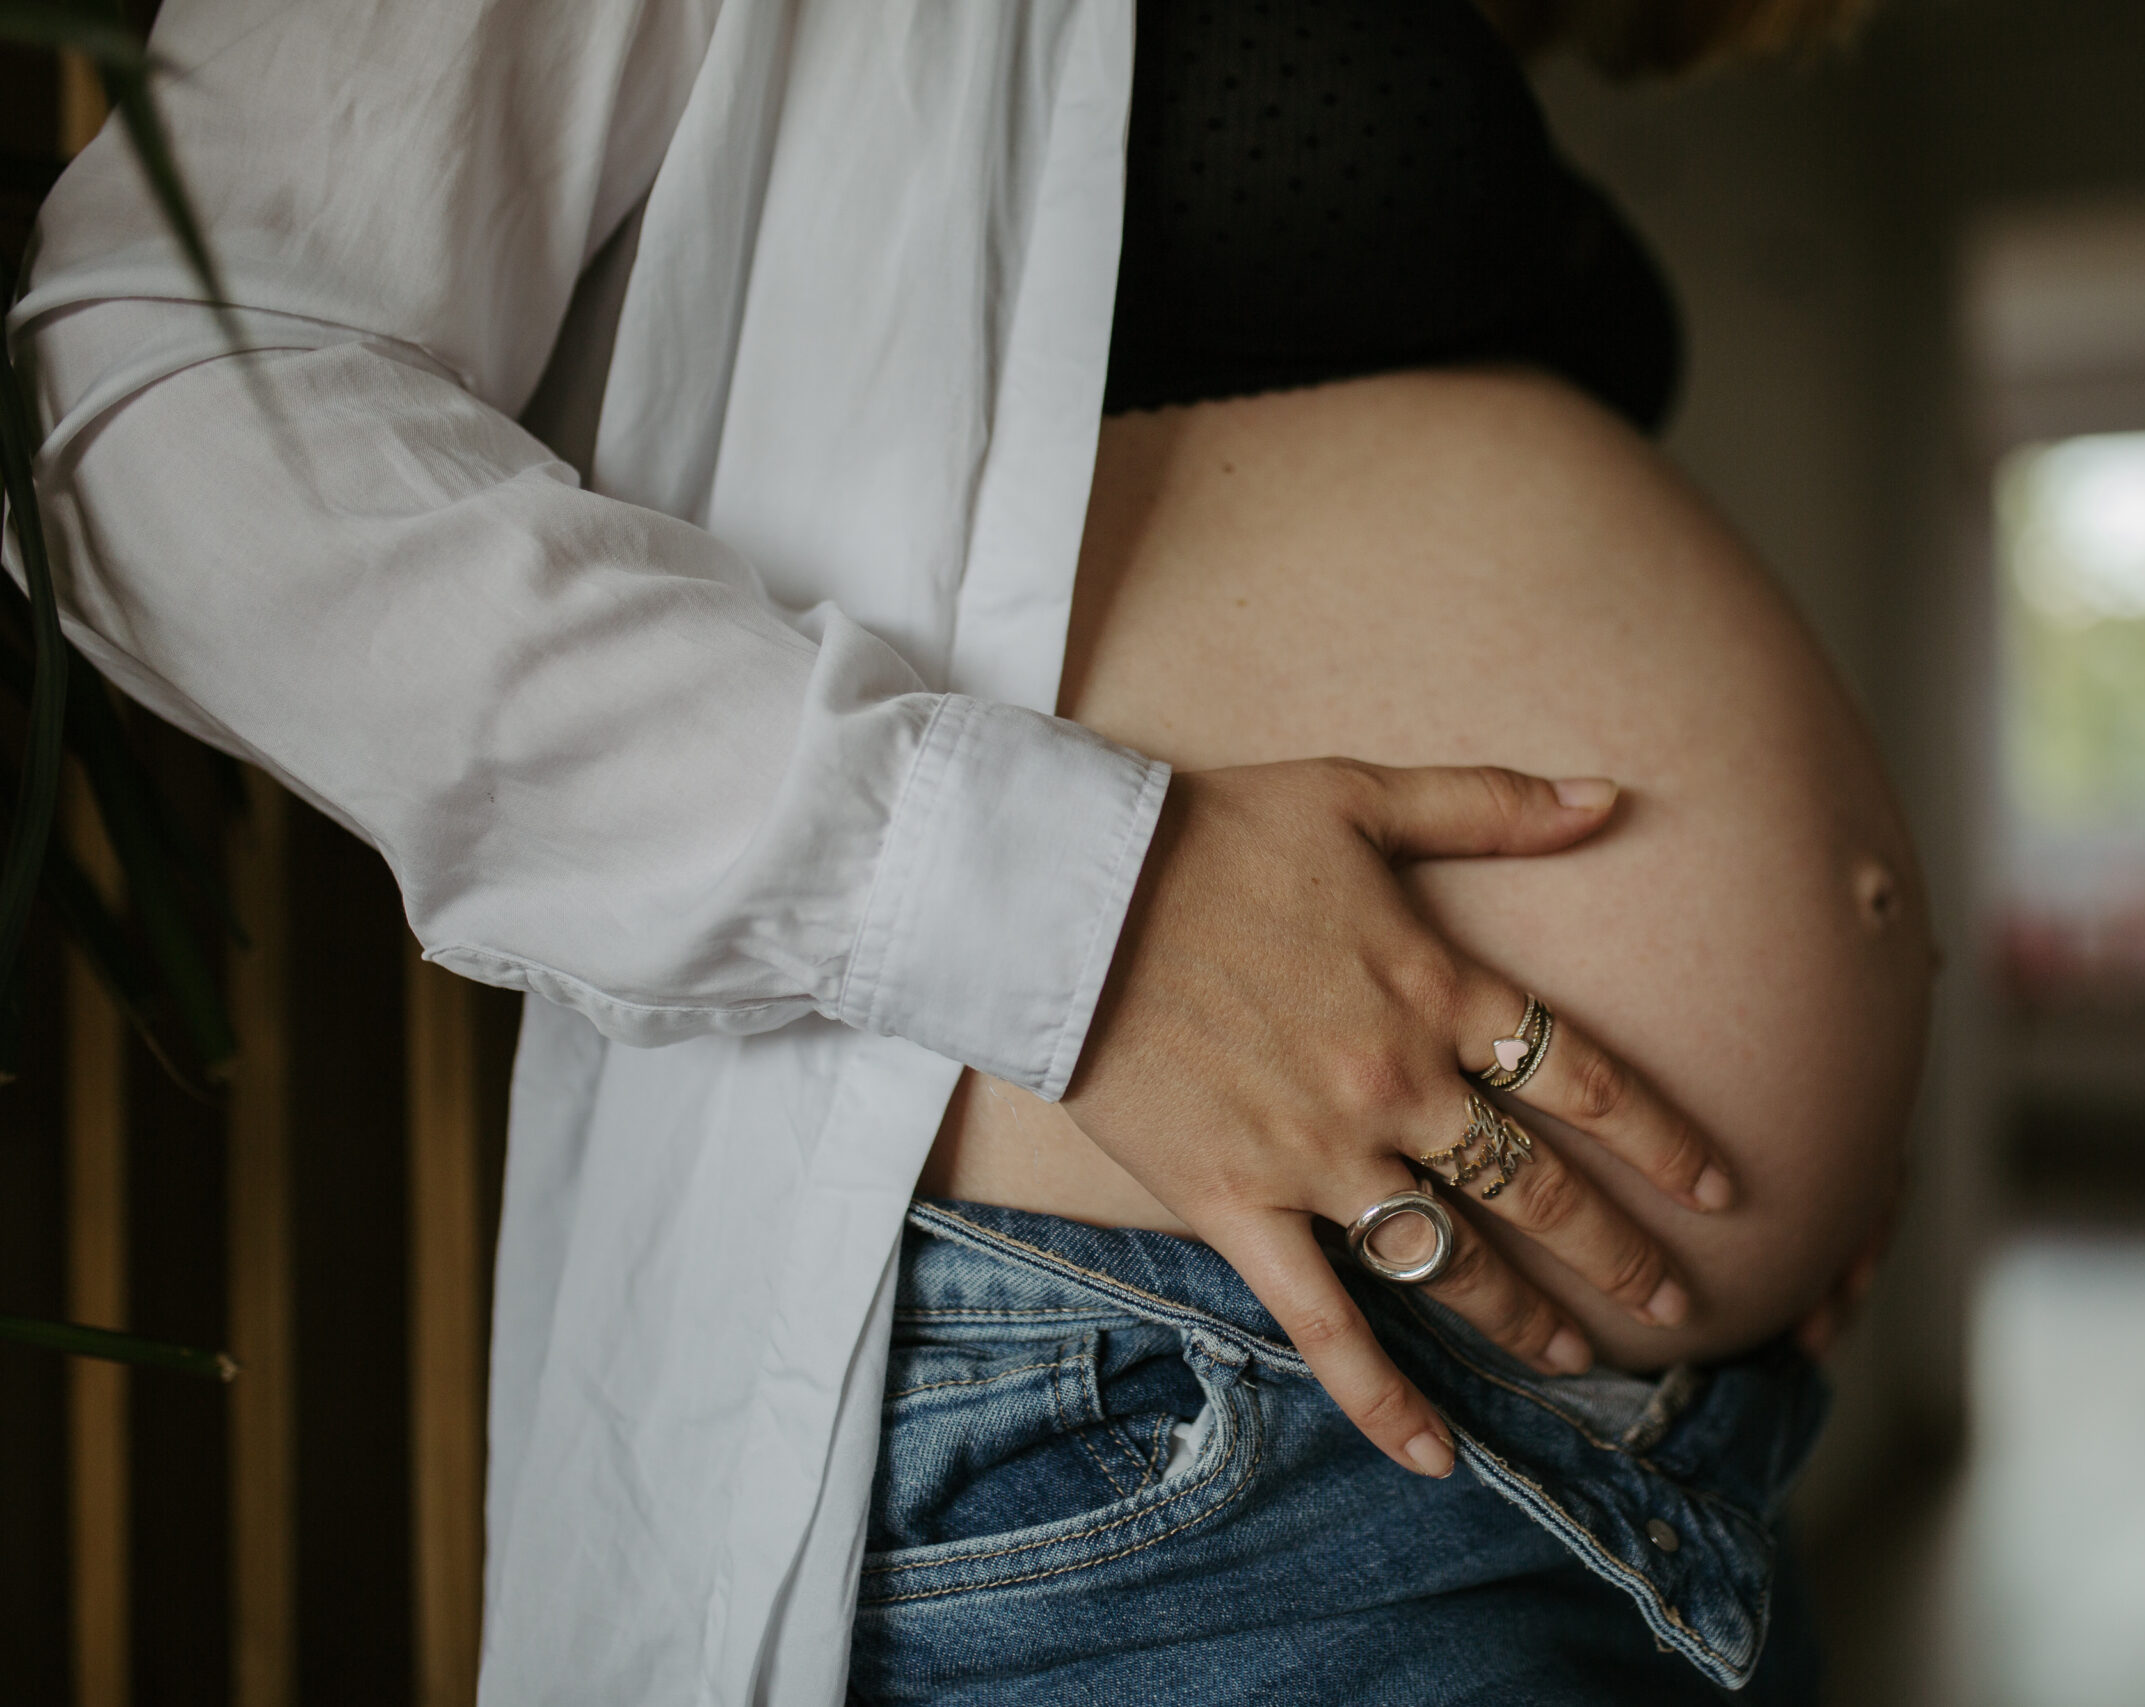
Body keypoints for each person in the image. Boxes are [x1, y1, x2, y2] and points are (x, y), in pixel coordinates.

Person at [9, 0, 1921, 1700]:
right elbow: (155, 420)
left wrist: (1781, 1114)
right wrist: (1087, 914)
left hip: (1679, 1449)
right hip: (1179, 1412)